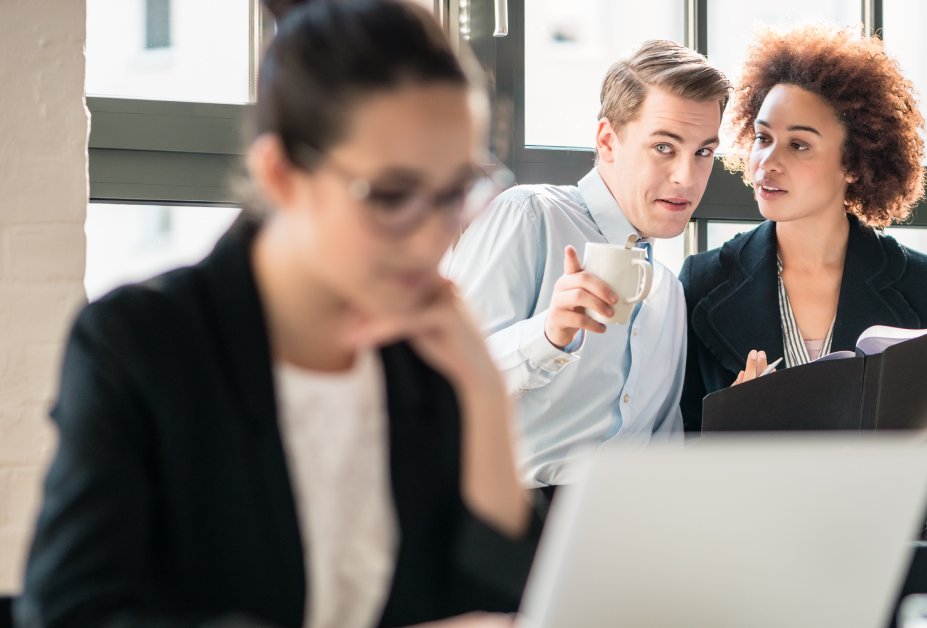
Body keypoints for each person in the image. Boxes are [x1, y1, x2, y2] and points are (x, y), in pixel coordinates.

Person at [18, 1, 538, 626]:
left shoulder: (423, 349)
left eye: (455, 192)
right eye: (392, 196)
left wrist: (483, 394)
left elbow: (505, 600)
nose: (432, 239)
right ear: (283, 173)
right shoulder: (143, 344)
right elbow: (72, 613)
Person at [678, 24, 927, 541]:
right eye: (764, 138)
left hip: (883, 559)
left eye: (799, 145)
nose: (768, 162)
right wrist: (732, 428)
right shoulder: (702, 281)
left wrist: (898, 493)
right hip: (750, 560)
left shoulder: (923, 284)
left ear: (854, 165)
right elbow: (674, 455)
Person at [446, 41, 731, 497]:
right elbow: (444, 380)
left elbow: (663, 447)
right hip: (511, 525)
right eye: (663, 147)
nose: (687, 178)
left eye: (703, 152)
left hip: (626, 532)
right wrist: (548, 335)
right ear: (607, 142)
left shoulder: (666, 291)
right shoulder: (531, 216)